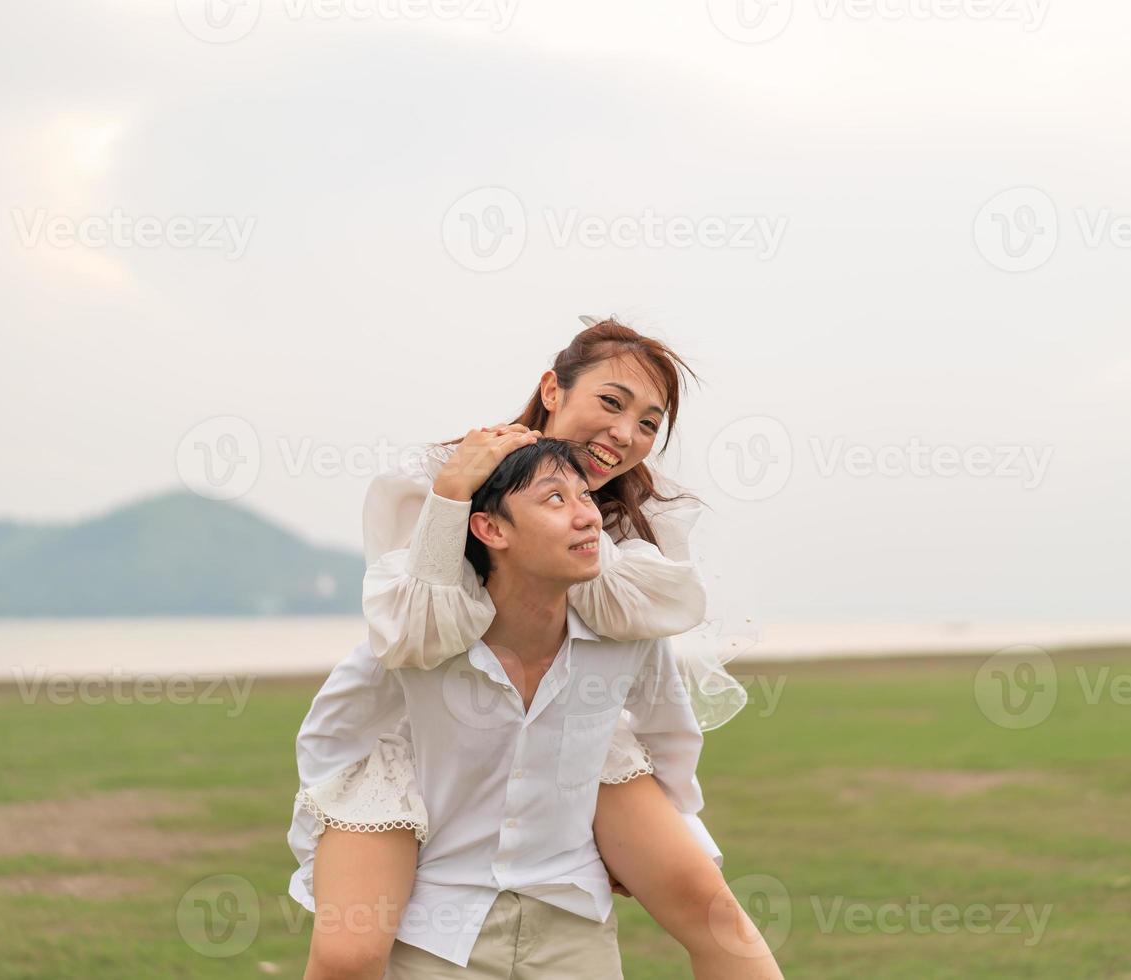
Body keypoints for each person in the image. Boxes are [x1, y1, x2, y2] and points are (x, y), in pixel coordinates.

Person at [292, 318, 779, 978]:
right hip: (428, 722)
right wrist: (455, 498)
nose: (624, 434)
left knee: (706, 905)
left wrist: (670, 829)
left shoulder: (631, 527)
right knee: (349, 951)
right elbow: (417, 631)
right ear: (552, 389)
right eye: (610, 402)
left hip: (575, 722)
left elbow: (654, 683)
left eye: (647, 423)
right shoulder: (446, 482)